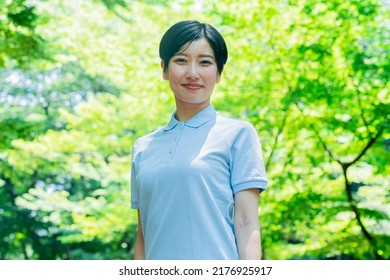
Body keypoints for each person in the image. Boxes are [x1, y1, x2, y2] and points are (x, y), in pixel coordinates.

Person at [130, 20, 267, 260]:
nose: (192, 73)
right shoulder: (143, 148)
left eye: (205, 62)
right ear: (164, 69)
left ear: (219, 72)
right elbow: (143, 236)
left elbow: (246, 223)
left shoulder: (239, 134)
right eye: (181, 61)